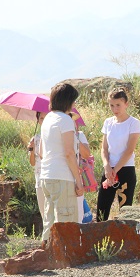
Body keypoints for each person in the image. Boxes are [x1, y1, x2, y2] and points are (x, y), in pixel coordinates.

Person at [39, 83, 84, 244]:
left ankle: (46, 252)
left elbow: (41, 152)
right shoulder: (65, 120)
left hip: (46, 175)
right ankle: (66, 256)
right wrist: (78, 181)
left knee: (49, 219)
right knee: (66, 220)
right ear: (69, 101)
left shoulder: (48, 119)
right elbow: (69, 153)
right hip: (62, 176)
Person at [96, 88, 140, 221]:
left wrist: (115, 170)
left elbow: (129, 150)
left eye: (118, 105)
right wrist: (107, 167)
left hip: (125, 169)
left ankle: (123, 240)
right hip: (109, 170)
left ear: (126, 104)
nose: (115, 108)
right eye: (112, 105)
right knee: (101, 210)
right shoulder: (108, 122)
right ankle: (100, 239)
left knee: (125, 211)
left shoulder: (134, 123)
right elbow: (104, 148)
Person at [27, 111, 47, 221]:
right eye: (41, 118)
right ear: (38, 121)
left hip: (53, 178)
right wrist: (31, 149)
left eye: (46, 118)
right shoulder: (35, 138)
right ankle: (47, 237)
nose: (44, 121)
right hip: (39, 179)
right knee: (43, 212)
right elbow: (32, 163)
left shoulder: (56, 137)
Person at [72, 113, 92, 223]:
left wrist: (74, 138)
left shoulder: (79, 135)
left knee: (79, 212)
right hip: (63, 176)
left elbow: (86, 154)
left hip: (77, 177)